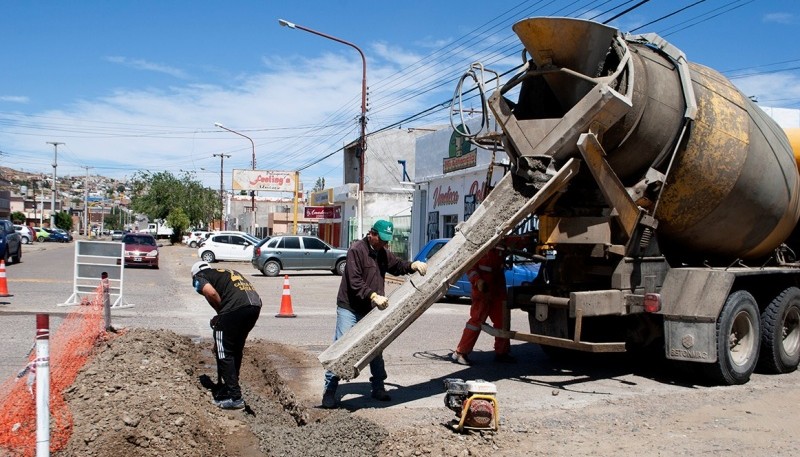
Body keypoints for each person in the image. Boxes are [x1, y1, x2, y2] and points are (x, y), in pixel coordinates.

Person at [321, 219, 428, 408]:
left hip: (371, 308)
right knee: (342, 346)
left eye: (387, 241)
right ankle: (330, 390)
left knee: (375, 347)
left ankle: (378, 387)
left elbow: (397, 266)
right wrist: (373, 295)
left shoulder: (382, 252)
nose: (385, 244)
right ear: (372, 234)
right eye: (382, 240)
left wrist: (412, 266)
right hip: (350, 307)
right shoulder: (356, 250)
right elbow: (354, 281)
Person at [191, 261, 262, 410]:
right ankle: (229, 387)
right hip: (254, 306)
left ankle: (235, 398)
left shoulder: (200, 276)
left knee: (223, 350)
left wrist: (221, 313)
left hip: (236, 307)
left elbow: (210, 292)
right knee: (235, 348)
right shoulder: (223, 272)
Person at [451, 245, 516, 365]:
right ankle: (461, 352)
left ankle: (502, 353)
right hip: (483, 290)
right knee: (476, 322)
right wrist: (478, 280)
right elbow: (470, 268)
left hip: (497, 289)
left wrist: (528, 238)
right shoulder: (477, 246)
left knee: (503, 321)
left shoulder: (500, 243)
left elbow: (512, 242)